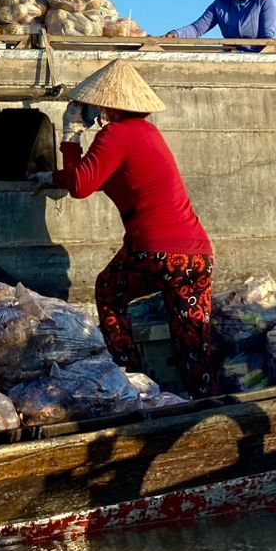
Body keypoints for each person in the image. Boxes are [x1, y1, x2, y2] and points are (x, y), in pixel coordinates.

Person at [33, 59, 216, 396]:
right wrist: (51, 177)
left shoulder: (115, 133)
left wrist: (71, 137)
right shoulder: (147, 133)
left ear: (106, 106)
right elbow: (98, 175)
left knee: (109, 290)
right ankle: (205, 399)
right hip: (196, 255)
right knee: (193, 334)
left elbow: (82, 186)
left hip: (154, 249)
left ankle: (129, 380)